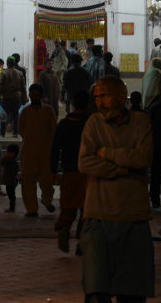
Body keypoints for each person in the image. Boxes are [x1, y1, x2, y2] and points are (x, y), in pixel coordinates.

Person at [78, 75, 155, 303]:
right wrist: (123, 170)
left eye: (104, 96)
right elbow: (84, 163)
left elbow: (143, 158)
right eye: (96, 97)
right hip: (97, 217)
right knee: (96, 291)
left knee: (132, 293)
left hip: (134, 217)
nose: (99, 102)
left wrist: (106, 153)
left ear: (122, 97)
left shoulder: (141, 122)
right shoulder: (93, 123)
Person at [51, 90, 90, 254]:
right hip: (88, 171)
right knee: (87, 210)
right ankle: (83, 242)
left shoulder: (64, 123)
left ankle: (64, 229)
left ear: (72, 104)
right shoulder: (91, 123)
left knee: (68, 206)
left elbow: (55, 148)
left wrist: (53, 169)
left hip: (68, 170)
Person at [18, 83, 57, 216]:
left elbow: (53, 130)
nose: (34, 97)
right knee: (28, 181)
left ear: (41, 95)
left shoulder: (48, 111)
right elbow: (21, 130)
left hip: (45, 151)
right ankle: (31, 209)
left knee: (46, 181)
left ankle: (47, 201)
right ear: (29, 96)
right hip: (28, 151)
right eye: (32, 94)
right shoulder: (25, 112)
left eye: (37, 94)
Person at [147, 84, 161, 208]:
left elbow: (151, 127)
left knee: (155, 172)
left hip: (157, 144)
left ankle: (155, 198)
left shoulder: (154, 108)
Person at [0, 55, 26, 136]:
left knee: (4, 115)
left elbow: (0, 86)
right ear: (14, 63)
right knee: (15, 114)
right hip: (17, 98)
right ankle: (15, 133)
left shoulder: (4, 73)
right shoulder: (19, 73)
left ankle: (3, 133)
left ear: (7, 63)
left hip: (6, 97)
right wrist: (24, 98)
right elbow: (23, 88)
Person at [2, 144, 20, 213]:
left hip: (11, 181)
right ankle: (11, 207)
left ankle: (12, 208)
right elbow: (2, 163)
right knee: (10, 193)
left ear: (13, 154)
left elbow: (14, 172)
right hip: (9, 181)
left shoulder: (14, 162)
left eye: (8, 152)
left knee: (11, 194)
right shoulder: (7, 159)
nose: (7, 153)